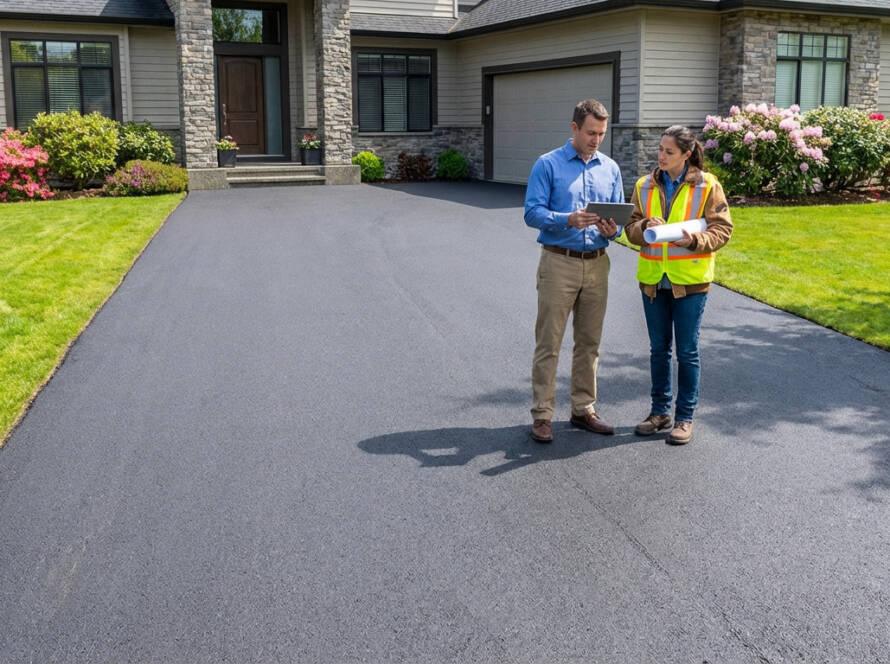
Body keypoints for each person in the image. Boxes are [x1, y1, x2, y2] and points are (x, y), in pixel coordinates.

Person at [623, 125, 733, 445]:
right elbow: (629, 229)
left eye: (669, 152)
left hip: (691, 282)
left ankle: (684, 418)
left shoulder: (708, 185)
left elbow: (722, 230)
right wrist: (644, 226)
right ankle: (659, 413)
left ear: (687, 154)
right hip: (653, 280)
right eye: (660, 149)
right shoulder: (644, 185)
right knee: (659, 350)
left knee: (687, 351)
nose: (661, 156)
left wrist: (695, 239)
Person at [524, 99, 625, 444]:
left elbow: (619, 223)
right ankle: (542, 414)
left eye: (601, 133)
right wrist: (565, 218)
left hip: (597, 263)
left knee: (589, 343)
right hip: (558, 262)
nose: (596, 139)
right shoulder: (547, 165)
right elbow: (531, 213)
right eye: (590, 133)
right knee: (549, 342)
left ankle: (583, 409)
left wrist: (614, 230)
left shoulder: (610, 168)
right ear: (574, 129)